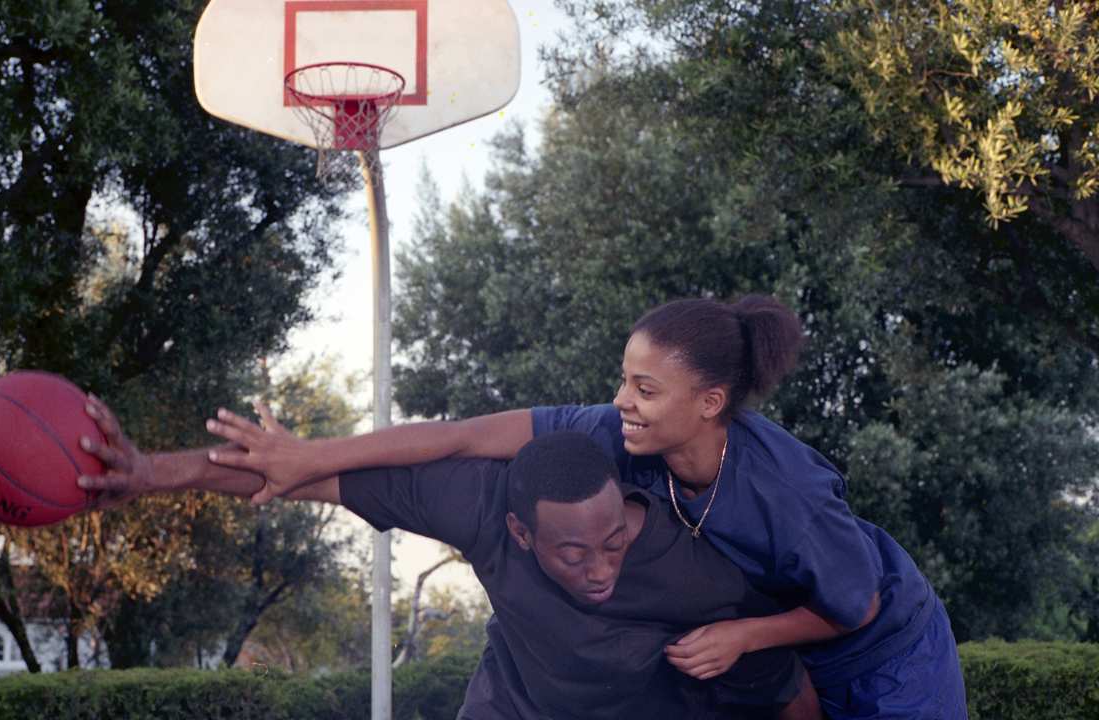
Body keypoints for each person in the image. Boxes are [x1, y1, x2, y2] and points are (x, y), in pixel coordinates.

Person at [200, 295, 968, 719]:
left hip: (883, 648)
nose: (619, 401)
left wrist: (743, 634)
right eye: (623, 379)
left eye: (644, 388)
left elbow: (857, 604)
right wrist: (314, 456)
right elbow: (466, 439)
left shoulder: (789, 494)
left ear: (709, 402)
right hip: (779, 647)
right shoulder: (615, 434)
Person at [78, 409, 820, 719]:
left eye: (614, 541)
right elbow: (297, 476)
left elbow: (786, 676)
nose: (601, 569)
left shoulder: (694, 567)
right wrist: (153, 473)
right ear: (519, 534)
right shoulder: (477, 503)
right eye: (573, 552)